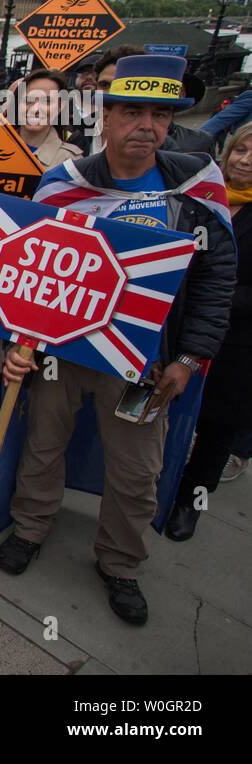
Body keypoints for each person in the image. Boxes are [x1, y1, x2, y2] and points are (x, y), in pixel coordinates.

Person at [0, 53, 235, 625]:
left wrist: (189, 357)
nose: (145, 126)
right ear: (104, 117)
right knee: (43, 444)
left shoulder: (197, 189)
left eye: (159, 114)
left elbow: (215, 281)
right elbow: (31, 271)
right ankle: (29, 528)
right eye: (131, 111)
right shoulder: (63, 185)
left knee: (135, 468)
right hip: (63, 352)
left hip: (144, 365)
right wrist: (18, 341)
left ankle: (122, 562)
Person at [0, 68, 85, 452]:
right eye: (30, 98)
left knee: (8, 351)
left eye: (49, 100)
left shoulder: (71, 159)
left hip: (28, 270)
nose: (38, 106)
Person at [165, 123, 252, 541]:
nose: (247, 161)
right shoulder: (198, 198)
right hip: (181, 327)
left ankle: (190, 501)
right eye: (241, 151)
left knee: (218, 427)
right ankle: (160, 487)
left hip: (239, 341)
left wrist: (212, 293)